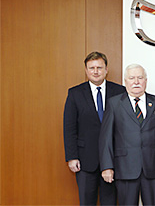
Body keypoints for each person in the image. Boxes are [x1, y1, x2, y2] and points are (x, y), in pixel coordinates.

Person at [99, 64, 155, 206]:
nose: (136, 82)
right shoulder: (114, 104)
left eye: (140, 78)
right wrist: (107, 167)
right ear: (125, 81)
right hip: (125, 168)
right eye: (132, 78)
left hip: (152, 168)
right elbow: (106, 138)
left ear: (146, 80)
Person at [63, 51, 125, 205]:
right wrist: (72, 157)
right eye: (91, 68)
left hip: (112, 161)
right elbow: (69, 128)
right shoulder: (75, 93)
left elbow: (124, 127)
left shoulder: (120, 92)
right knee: (86, 202)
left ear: (106, 69)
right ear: (86, 70)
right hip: (84, 160)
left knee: (110, 202)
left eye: (99, 67)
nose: (96, 71)